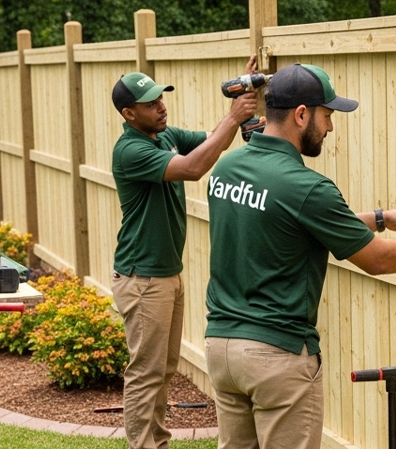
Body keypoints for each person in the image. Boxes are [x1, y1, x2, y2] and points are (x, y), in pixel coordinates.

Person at [203, 63, 396, 449]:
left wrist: (381, 218)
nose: (330, 127)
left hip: (222, 350)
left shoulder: (228, 167)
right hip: (275, 356)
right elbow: (377, 261)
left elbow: (285, 223)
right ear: (301, 114)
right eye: (327, 115)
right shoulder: (307, 186)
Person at [110, 56, 258, 449]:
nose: (161, 106)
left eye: (161, 98)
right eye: (151, 103)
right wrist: (233, 117)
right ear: (129, 113)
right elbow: (194, 168)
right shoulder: (130, 150)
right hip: (143, 279)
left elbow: (210, 139)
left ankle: (156, 442)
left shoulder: (163, 136)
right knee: (146, 372)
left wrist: (239, 104)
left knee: (163, 369)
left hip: (165, 275)